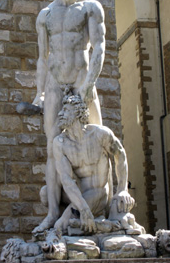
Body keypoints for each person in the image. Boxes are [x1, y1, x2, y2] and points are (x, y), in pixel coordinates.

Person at [32, 0, 106, 233]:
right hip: (54, 84)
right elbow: (42, 58)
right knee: (53, 146)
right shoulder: (46, 16)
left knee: (97, 135)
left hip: (81, 81)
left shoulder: (90, 8)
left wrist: (87, 87)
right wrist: (39, 93)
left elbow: (98, 47)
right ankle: (53, 213)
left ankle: (105, 200)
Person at [51, 94, 135, 233]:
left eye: (65, 110)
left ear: (78, 113)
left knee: (60, 227)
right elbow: (66, 180)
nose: (60, 113)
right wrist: (83, 209)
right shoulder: (60, 143)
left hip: (98, 192)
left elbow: (120, 155)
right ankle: (87, 218)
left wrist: (122, 190)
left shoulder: (99, 134)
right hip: (76, 193)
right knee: (44, 194)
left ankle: (88, 220)